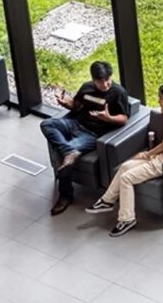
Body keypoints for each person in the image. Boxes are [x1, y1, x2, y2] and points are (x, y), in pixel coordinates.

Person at [85, 83, 163, 237]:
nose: (158, 100)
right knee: (125, 166)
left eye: (161, 98)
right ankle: (107, 200)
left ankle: (127, 219)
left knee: (127, 178)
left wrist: (147, 154)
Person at [41, 61, 130, 216]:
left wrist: (108, 118)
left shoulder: (118, 92)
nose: (106, 84)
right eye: (101, 81)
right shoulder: (87, 88)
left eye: (108, 79)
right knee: (47, 124)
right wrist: (66, 103)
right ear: (94, 80)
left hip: (92, 134)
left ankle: (66, 195)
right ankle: (68, 150)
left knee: (64, 157)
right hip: (75, 123)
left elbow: (123, 119)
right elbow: (76, 106)